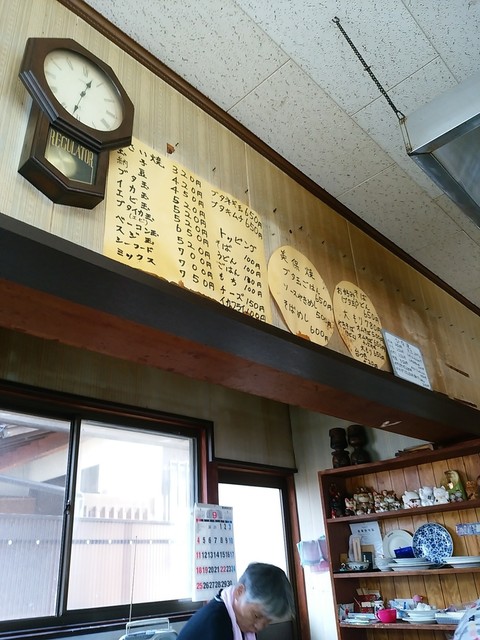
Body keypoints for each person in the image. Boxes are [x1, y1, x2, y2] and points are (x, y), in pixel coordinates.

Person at [177, 562, 295, 640]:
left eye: (268, 621)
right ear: (239, 592)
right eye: (256, 616)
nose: (259, 627)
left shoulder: (239, 621)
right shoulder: (215, 625)